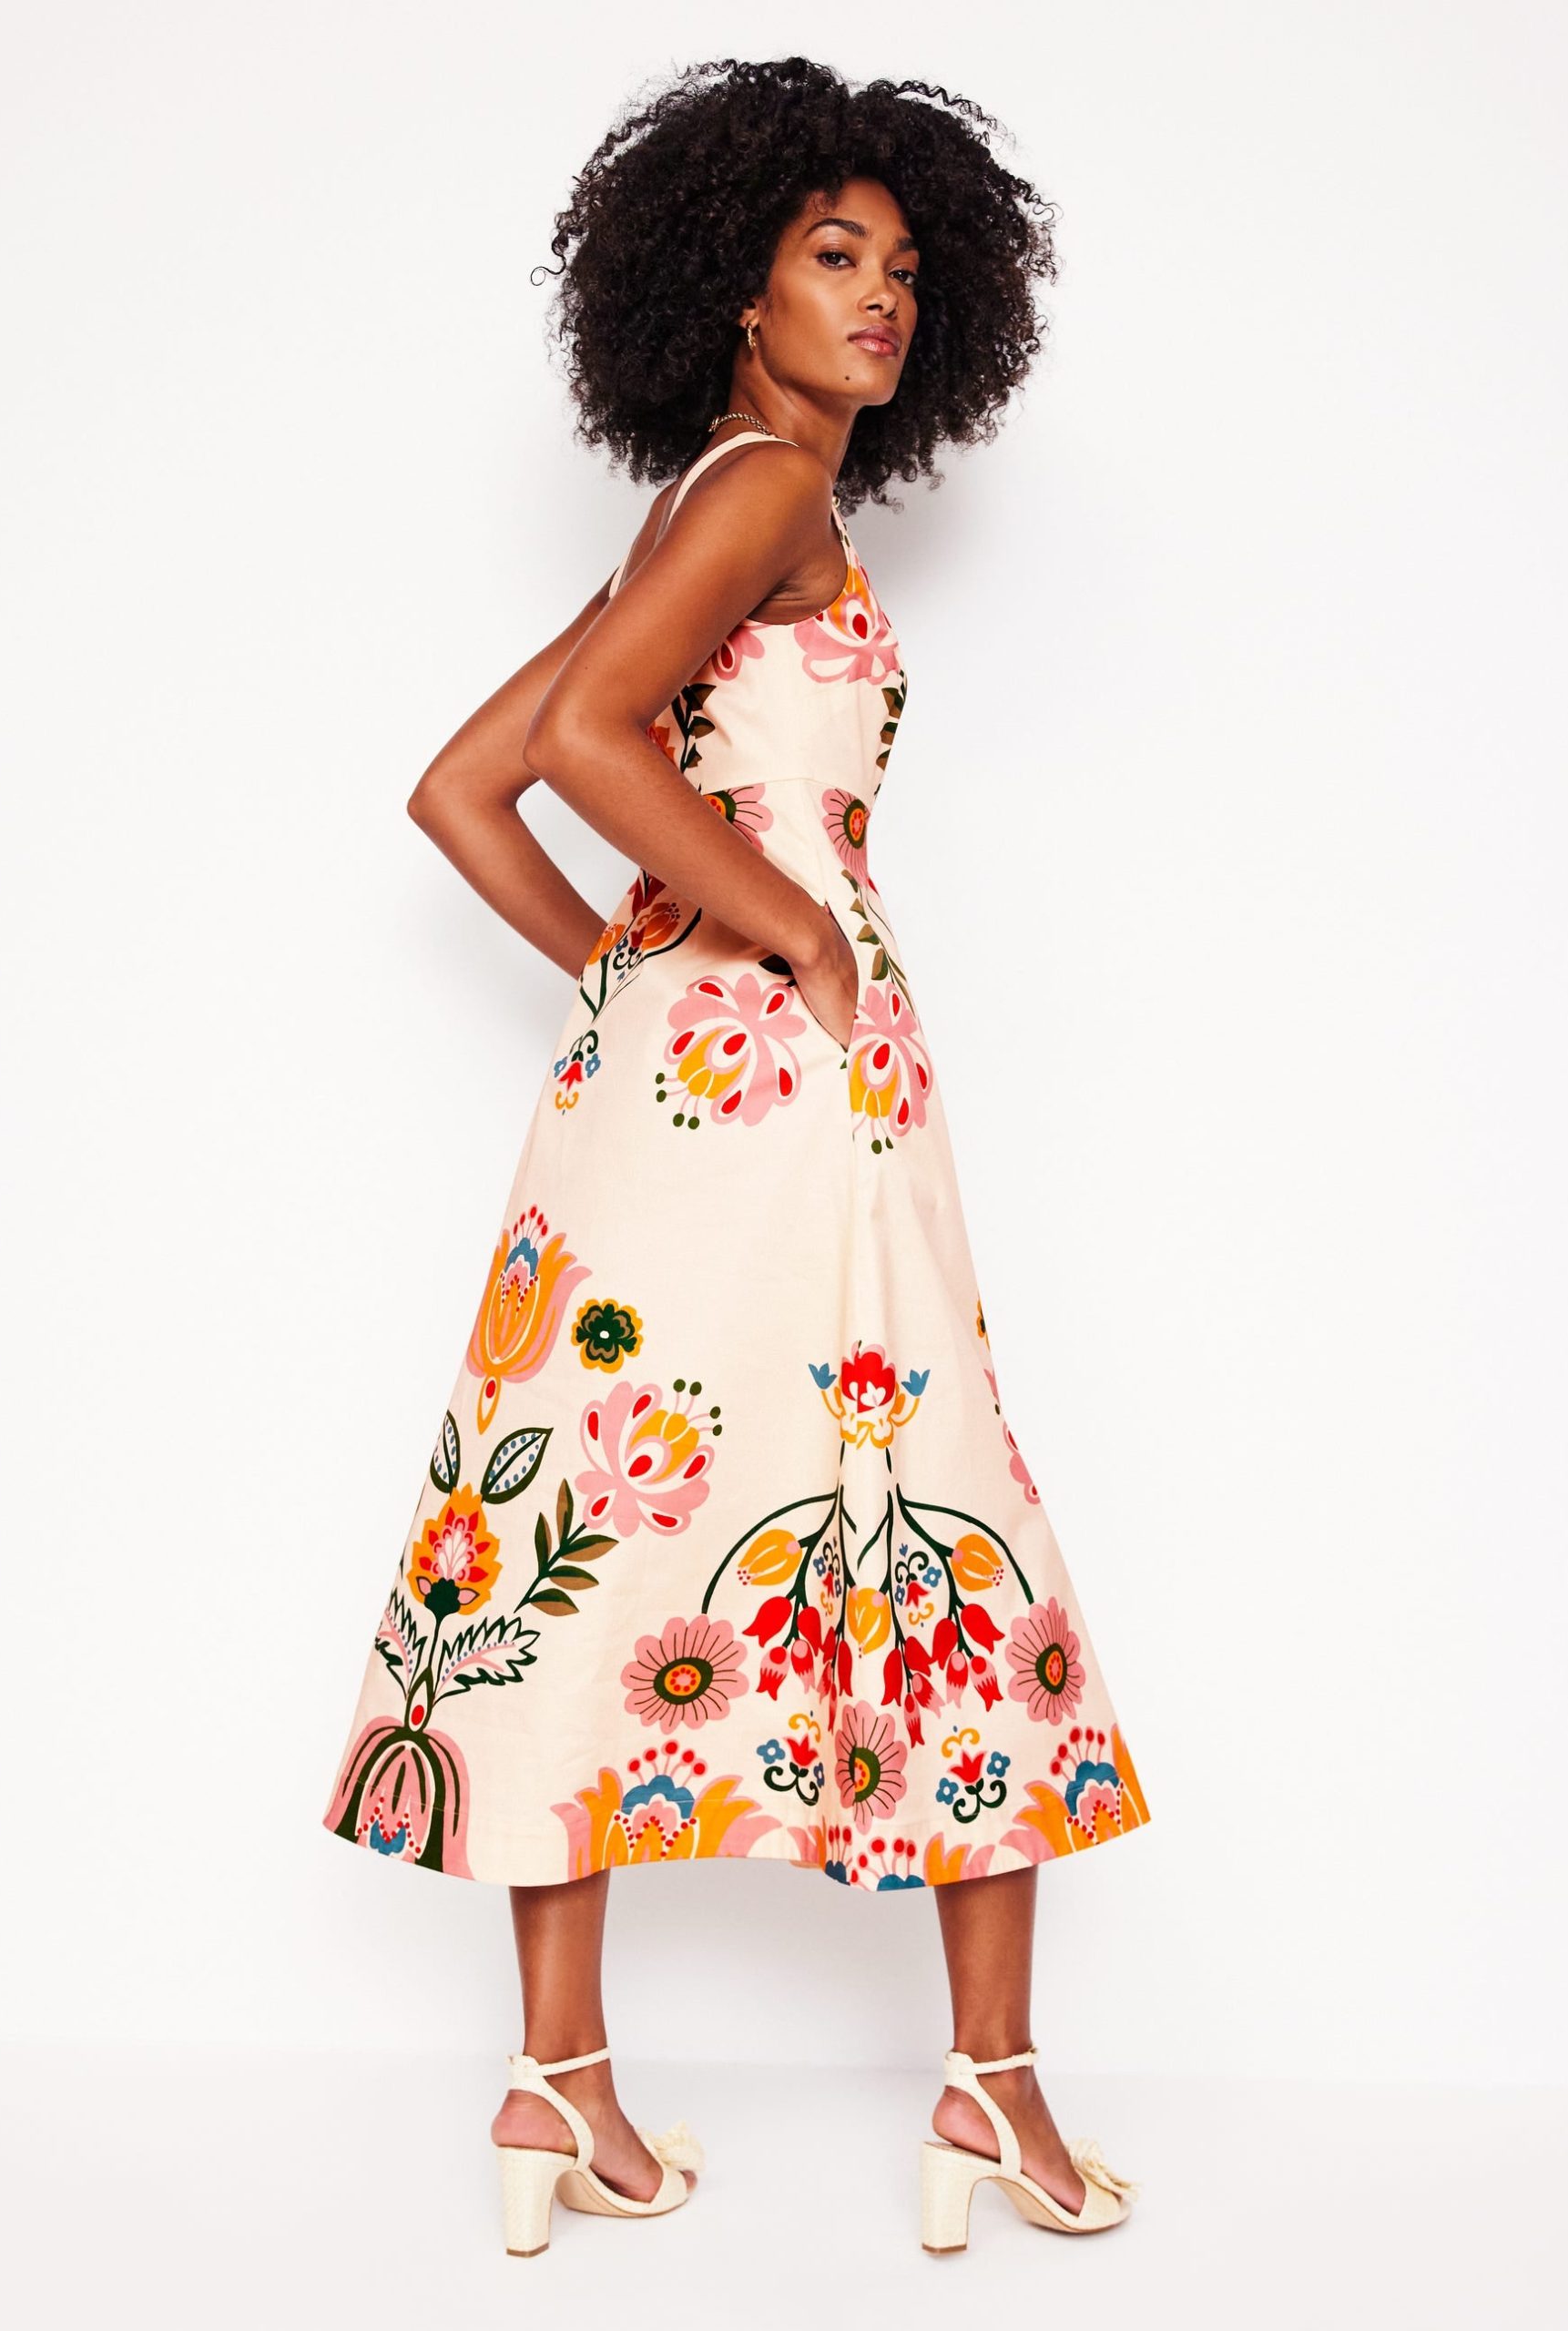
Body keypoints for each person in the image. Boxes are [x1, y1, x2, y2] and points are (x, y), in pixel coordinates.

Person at [321, 56, 1151, 2256]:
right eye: (831, 252)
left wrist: (639, 972)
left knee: (588, 1515)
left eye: (905, 265)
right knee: (935, 1486)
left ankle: (557, 2081)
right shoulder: (766, 487)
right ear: (733, 283)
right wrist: (786, 930)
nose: (880, 295)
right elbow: (580, 749)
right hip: (792, 1077)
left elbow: (473, 783)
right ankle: (992, 2084)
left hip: (661, 1093)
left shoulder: (694, 510)